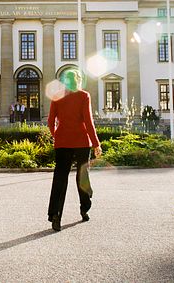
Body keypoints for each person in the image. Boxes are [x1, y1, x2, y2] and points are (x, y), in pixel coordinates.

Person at [46, 69, 102, 232]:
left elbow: (50, 121)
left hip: (62, 142)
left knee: (60, 179)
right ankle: (85, 208)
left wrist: (57, 136)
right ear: (78, 80)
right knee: (82, 176)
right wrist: (96, 143)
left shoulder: (57, 96)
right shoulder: (84, 95)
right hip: (82, 142)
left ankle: (56, 215)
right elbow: (88, 122)